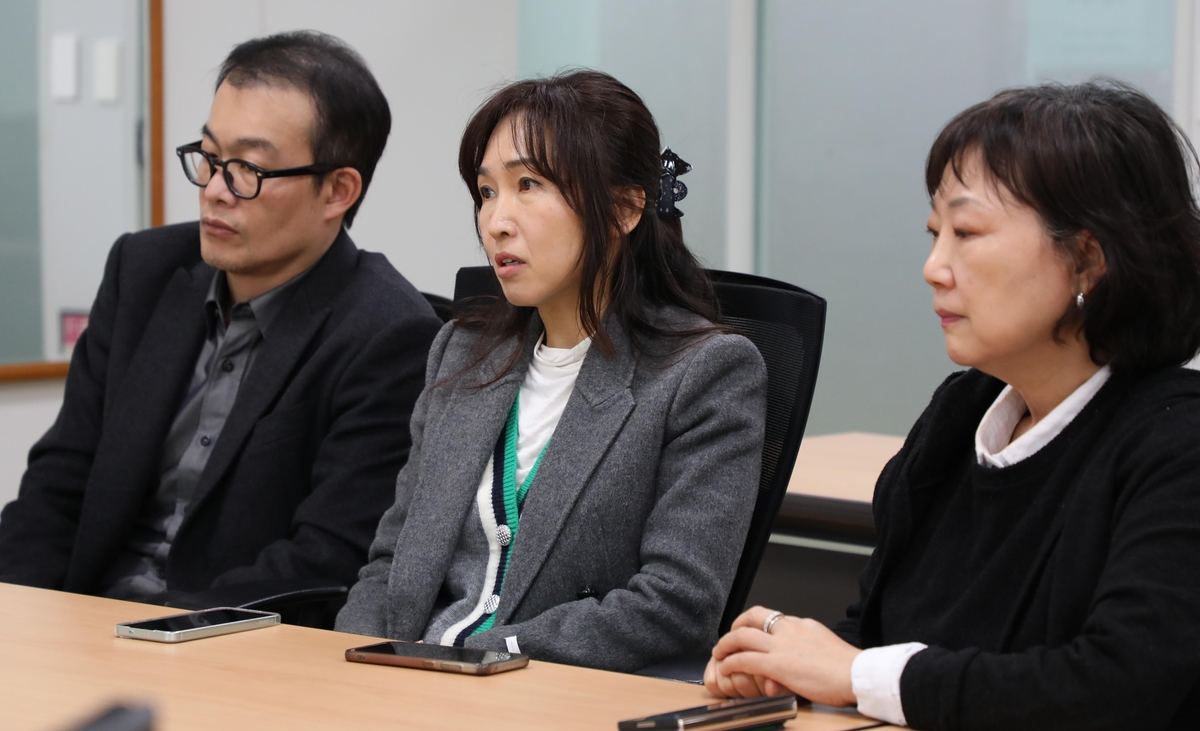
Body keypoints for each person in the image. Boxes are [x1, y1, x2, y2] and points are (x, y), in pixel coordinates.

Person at [704, 81, 1200, 730]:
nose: (934, 267)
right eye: (936, 233)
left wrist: (854, 674)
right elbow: (877, 634)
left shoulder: (1178, 446)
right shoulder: (961, 414)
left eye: (967, 232)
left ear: (1087, 260)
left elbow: (1117, 687)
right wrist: (790, 669)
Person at [335, 70, 767, 672]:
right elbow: (389, 563)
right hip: (405, 684)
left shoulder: (705, 374)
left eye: (528, 184)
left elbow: (676, 603)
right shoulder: (461, 352)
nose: (496, 221)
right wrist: (348, 664)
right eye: (487, 192)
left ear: (623, 208)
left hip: (547, 691)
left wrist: (488, 654)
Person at [0, 31, 443, 604]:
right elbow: (58, 485)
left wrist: (151, 633)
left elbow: (324, 562)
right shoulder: (142, 271)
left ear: (337, 191)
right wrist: (20, 614)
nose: (214, 190)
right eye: (209, 158)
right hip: (82, 618)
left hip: (227, 636)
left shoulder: (389, 336)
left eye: (248, 170)